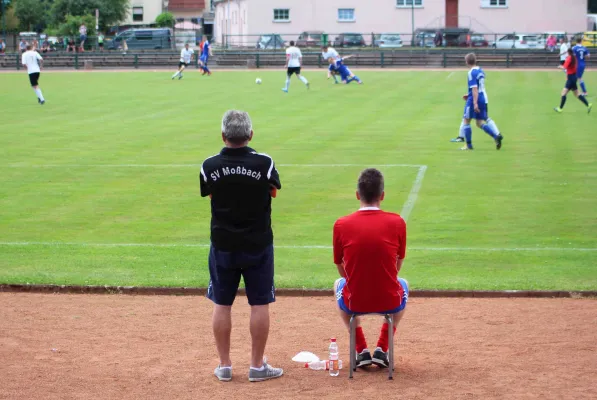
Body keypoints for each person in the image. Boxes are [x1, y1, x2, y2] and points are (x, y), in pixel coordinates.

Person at [200, 110, 283, 382]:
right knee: (259, 303)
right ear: (250, 135)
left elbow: (210, 194)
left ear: (223, 136)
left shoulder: (209, 165)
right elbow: (273, 191)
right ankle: (257, 366)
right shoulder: (265, 162)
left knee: (222, 303)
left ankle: (224, 366)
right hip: (258, 243)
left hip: (223, 243)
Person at [333, 168, 409, 369]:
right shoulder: (398, 222)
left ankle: (361, 350)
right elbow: (398, 264)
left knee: (339, 283)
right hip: (390, 300)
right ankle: (382, 349)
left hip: (354, 301)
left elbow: (340, 266)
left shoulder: (341, 224)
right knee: (403, 284)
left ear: (358, 195)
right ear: (382, 196)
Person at [459, 53, 503, 151]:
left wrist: (474, 103)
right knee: (479, 123)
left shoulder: (471, 72)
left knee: (466, 120)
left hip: (475, 98)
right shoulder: (480, 70)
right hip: (482, 97)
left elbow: (474, 88)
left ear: (466, 62)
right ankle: (495, 137)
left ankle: (468, 146)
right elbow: (478, 87)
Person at [554, 49, 592, 114]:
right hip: (574, 77)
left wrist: (559, 66)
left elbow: (564, 67)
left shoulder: (569, 58)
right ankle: (588, 104)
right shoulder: (574, 58)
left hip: (571, 78)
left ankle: (560, 108)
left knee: (563, 93)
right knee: (577, 93)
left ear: (568, 52)